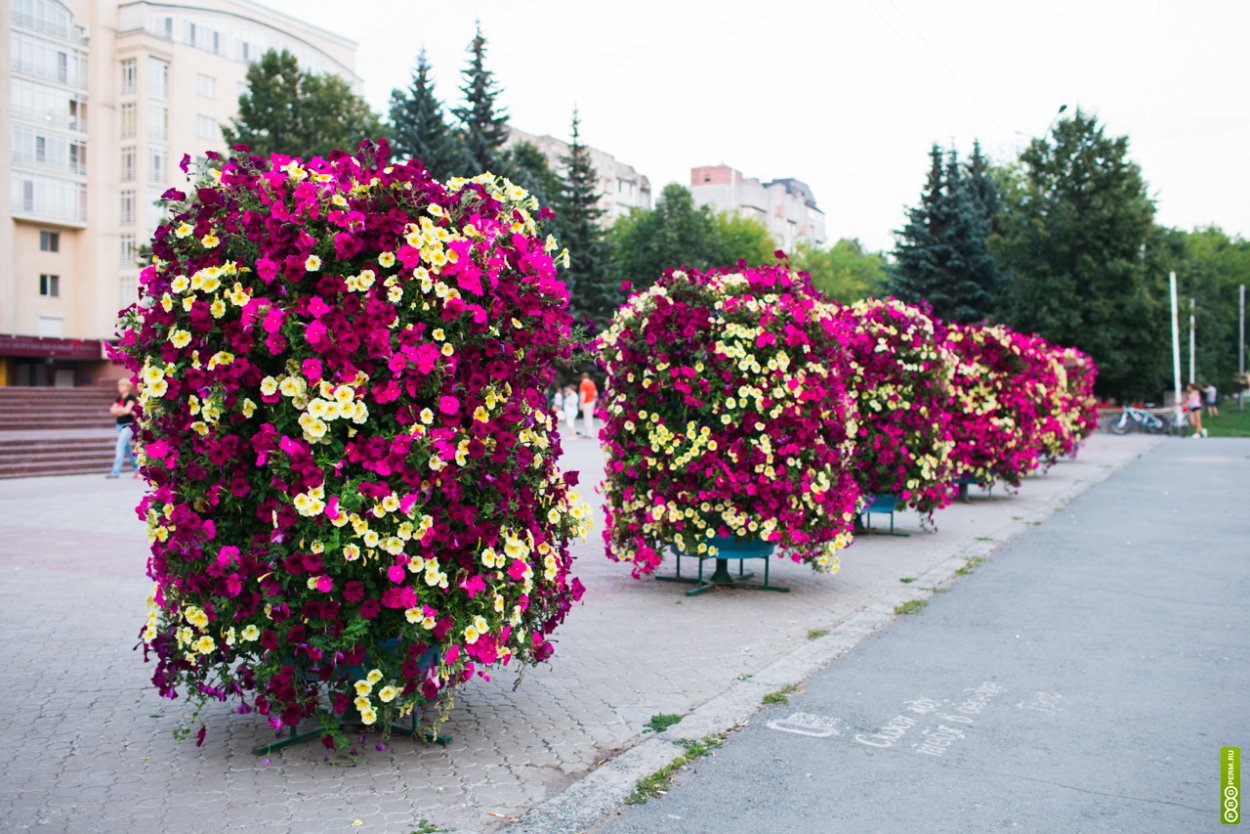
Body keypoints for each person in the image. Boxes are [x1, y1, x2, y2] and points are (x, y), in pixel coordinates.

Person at [108, 378, 139, 478]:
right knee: (127, 449)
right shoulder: (119, 398)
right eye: (119, 385)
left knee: (119, 446)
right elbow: (112, 411)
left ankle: (115, 472)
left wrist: (121, 410)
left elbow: (126, 411)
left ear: (127, 387)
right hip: (119, 425)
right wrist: (122, 410)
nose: (119, 387)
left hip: (128, 425)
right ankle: (137, 469)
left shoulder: (131, 398)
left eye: (122, 385)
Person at [578, 372, 598, 439]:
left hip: (586, 403)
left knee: (587, 418)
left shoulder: (583, 383)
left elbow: (583, 394)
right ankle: (590, 433)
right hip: (592, 402)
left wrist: (581, 404)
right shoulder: (592, 383)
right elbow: (595, 394)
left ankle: (588, 434)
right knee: (590, 418)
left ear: (582, 377)